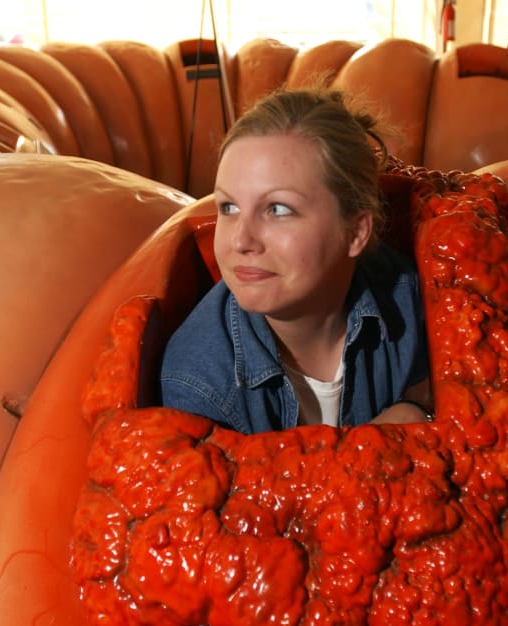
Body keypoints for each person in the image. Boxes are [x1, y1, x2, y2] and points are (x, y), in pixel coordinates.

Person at [159, 86, 431, 434]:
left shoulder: (413, 300)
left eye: (278, 209)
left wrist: (418, 408)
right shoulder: (197, 381)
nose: (240, 240)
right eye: (229, 207)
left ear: (356, 233)